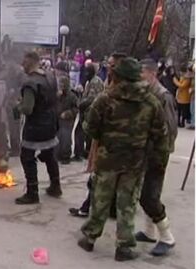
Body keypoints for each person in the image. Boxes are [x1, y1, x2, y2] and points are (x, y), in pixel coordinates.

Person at [77, 58, 168, 261]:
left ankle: (89, 238)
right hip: (135, 161)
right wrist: (157, 158)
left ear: (118, 76)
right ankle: (124, 247)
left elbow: (89, 127)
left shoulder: (105, 98)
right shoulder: (151, 101)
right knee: (127, 203)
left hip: (108, 158)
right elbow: (160, 134)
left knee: (100, 198)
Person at [69, 52, 127, 218]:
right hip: (105, 141)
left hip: (114, 145)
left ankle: (96, 215)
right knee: (99, 178)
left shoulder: (120, 91)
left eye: (112, 65)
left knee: (100, 179)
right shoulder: (110, 84)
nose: (108, 67)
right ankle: (91, 208)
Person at [133, 58, 178, 257]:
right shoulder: (147, 93)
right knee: (144, 192)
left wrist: (160, 152)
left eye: (142, 73)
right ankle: (149, 232)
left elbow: (170, 128)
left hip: (157, 154)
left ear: (152, 74)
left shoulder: (163, 96)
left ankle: (167, 237)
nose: (139, 77)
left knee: (150, 196)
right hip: (146, 151)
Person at [15, 51, 61, 205]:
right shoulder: (50, 76)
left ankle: (32, 193)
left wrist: (17, 106)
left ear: (31, 61)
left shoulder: (30, 83)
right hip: (51, 123)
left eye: (24, 62)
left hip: (35, 127)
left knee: (27, 157)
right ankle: (56, 186)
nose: (22, 65)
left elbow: (28, 108)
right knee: (49, 155)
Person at [73, 63, 104, 161]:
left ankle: (80, 153)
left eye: (87, 72)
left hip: (89, 110)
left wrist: (80, 104)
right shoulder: (90, 81)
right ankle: (85, 152)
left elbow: (92, 98)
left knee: (80, 132)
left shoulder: (95, 82)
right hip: (88, 110)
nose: (85, 74)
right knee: (86, 133)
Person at [55, 61, 78, 165]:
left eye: (62, 84)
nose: (61, 86)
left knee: (66, 138)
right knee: (57, 137)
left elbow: (76, 108)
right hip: (58, 120)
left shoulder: (72, 96)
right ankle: (56, 155)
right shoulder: (57, 95)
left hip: (67, 120)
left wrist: (68, 113)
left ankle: (65, 156)